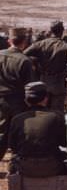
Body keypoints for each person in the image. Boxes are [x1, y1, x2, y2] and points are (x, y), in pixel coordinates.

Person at [8, 81, 66, 177]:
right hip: (52, 167)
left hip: (24, 168)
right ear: (46, 98)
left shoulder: (17, 119)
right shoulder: (57, 116)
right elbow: (64, 142)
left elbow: (13, 146)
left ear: (26, 100)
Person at [24, 20, 67, 113]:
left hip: (42, 82)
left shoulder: (40, 44)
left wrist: (35, 65)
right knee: (57, 113)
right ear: (62, 31)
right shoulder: (66, 46)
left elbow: (23, 55)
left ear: (50, 30)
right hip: (58, 83)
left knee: (40, 111)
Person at [0, 28, 33, 161]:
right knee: (18, 132)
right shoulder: (25, 60)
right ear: (24, 42)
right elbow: (29, 86)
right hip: (17, 101)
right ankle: (15, 164)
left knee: (1, 132)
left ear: (9, 41)